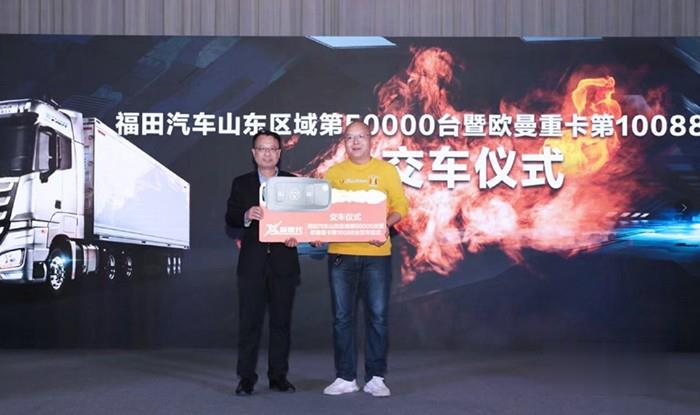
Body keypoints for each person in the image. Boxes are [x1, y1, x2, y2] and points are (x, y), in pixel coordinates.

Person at [321, 121, 408, 397]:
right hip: (341, 254)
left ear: (371, 140)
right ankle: (345, 377)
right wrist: (315, 231)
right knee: (342, 318)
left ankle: (376, 378)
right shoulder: (334, 173)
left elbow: (401, 206)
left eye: (360, 137)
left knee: (378, 317)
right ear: (344, 143)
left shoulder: (386, 171)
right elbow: (322, 211)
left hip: (376, 255)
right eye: (350, 137)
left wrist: (386, 223)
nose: (355, 142)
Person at [225, 130, 300, 395]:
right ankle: (246, 378)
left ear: (279, 153)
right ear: (254, 153)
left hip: (284, 263)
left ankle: (278, 376)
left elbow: (303, 220)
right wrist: (246, 214)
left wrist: (297, 234)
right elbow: (231, 217)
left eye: (272, 149)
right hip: (252, 265)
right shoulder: (241, 183)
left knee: (281, 323)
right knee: (249, 323)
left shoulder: (292, 183)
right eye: (262, 148)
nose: (267, 153)